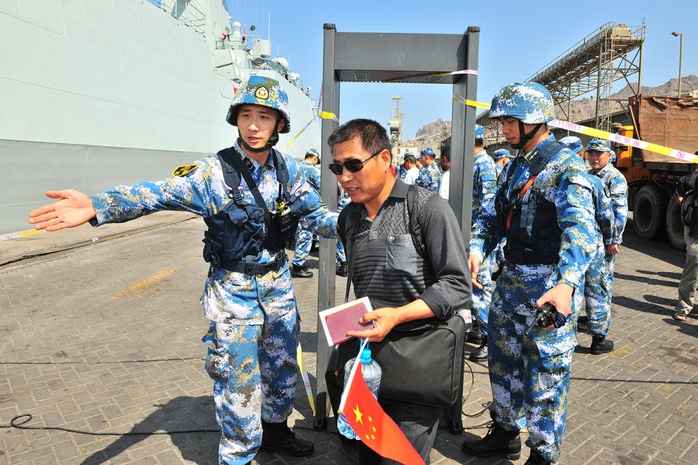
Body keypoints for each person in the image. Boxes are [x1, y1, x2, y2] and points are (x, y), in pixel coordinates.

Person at [28, 76, 338, 465]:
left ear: (279, 124)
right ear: (236, 119)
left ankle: (275, 430)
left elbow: (316, 215)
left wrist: (358, 223)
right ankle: (238, 455)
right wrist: (98, 205)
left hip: (277, 287)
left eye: (264, 116)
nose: (254, 126)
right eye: (246, 115)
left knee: (282, 368)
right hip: (233, 291)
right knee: (238, 379)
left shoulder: (288, 171)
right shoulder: (211, 173)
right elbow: (156, 194)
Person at [462, 82, 596, 465]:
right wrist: (477, 248)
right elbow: (493, 213)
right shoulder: (517, 165)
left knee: (547, 373)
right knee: (503, 361)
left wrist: (568, 284)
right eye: (502, 120)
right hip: (511, 282)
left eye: (510, 121)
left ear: (534, 121)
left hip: (548, 287)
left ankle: (543, 453)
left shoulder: (565, 169)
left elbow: (581, 231)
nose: (503, 128)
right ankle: (505, 432)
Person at [328, 118, 471, 464]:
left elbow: (457, 285)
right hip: (365, 366)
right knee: (367, 456)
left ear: (385, 158)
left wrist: (398, 315)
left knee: (400, 458)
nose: (344, 177)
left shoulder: (426, 209)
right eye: (337, 167)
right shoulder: (349, 218)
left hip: (416, 364)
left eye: (353, 165)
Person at [560, 136, 615, 354]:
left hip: (568, 248)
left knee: (571, 291)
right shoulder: (593, 181)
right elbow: (607, 217)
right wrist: (610, 240)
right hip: (592, 247)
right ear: (580, 154)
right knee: (597, 292)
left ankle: (567, 338)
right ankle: (598, 341)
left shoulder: (556, 179)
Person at [582, 138, 628, 353]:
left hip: (602, 244)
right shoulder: (589, 175)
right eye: (591, 153)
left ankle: (598, 339)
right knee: (586, 287)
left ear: (610, 155)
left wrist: (613, 240)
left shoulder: (614, 178)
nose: (594, 157)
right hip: (585, 242)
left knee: (598, 288)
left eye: (599, 154)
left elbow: (619, 212)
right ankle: (591, 324)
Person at [468, 124, 499, 362]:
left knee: (479, 288)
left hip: (480, 238)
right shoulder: (475, 162)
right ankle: (481, 330)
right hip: (472, 235)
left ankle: (491, 340)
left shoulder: (484, 164)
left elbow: (489, 207)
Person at [291, 148, 322, 278]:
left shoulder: (295, 166)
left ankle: (300, 262)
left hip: (294, 206)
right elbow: (322, 187)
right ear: (315, 158)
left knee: (300, 234)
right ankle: (298, 266)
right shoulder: (313, 170)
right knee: (305, 235)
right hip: (307, 207)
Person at [675, 162, 698, 321]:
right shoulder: (691, 179)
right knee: (693, 266)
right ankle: (683, 307)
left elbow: (681, 200)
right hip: (695, 229)